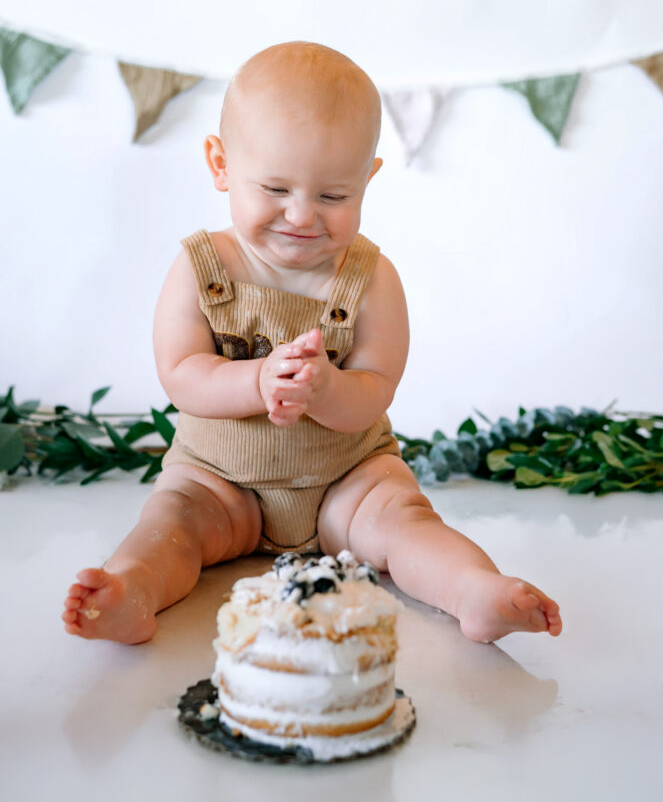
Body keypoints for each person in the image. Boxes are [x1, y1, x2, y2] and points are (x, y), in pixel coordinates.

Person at [62, 41, 562, 645]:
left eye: (332, 196)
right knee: (171, 524)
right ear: (220, 164)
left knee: (404, 521)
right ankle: (131, 591)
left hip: (345, 482)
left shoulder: (372, 278)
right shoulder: (200, 266)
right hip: (219, 481)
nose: (301, 215)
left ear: (367, 178)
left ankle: (474, 591)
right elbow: (180, 374)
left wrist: (328, 388)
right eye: (274, 189)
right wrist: (256, 380)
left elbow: (375, 389)